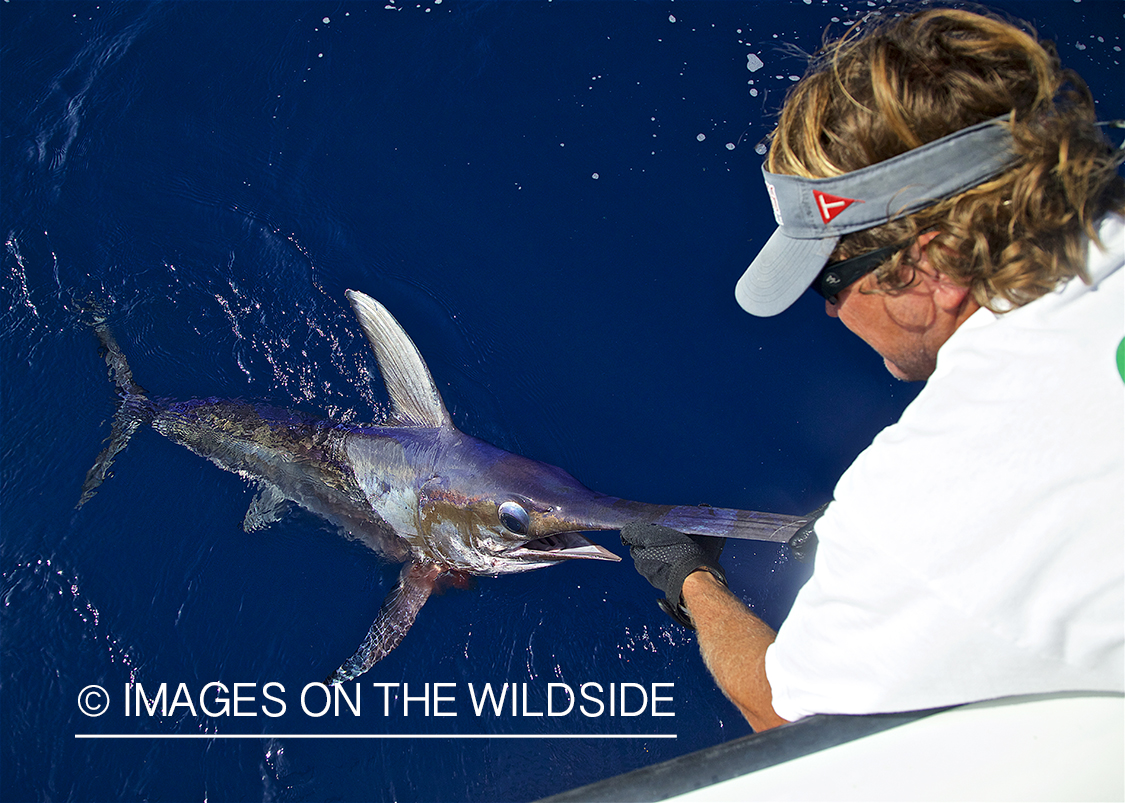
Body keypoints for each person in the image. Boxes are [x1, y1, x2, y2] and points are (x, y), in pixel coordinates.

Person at [622, 7, 1124, 732]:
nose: (828, 313)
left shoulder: (915, 503)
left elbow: (785, 714)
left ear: (933, 266)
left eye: (831, 280)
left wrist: (689, 577)